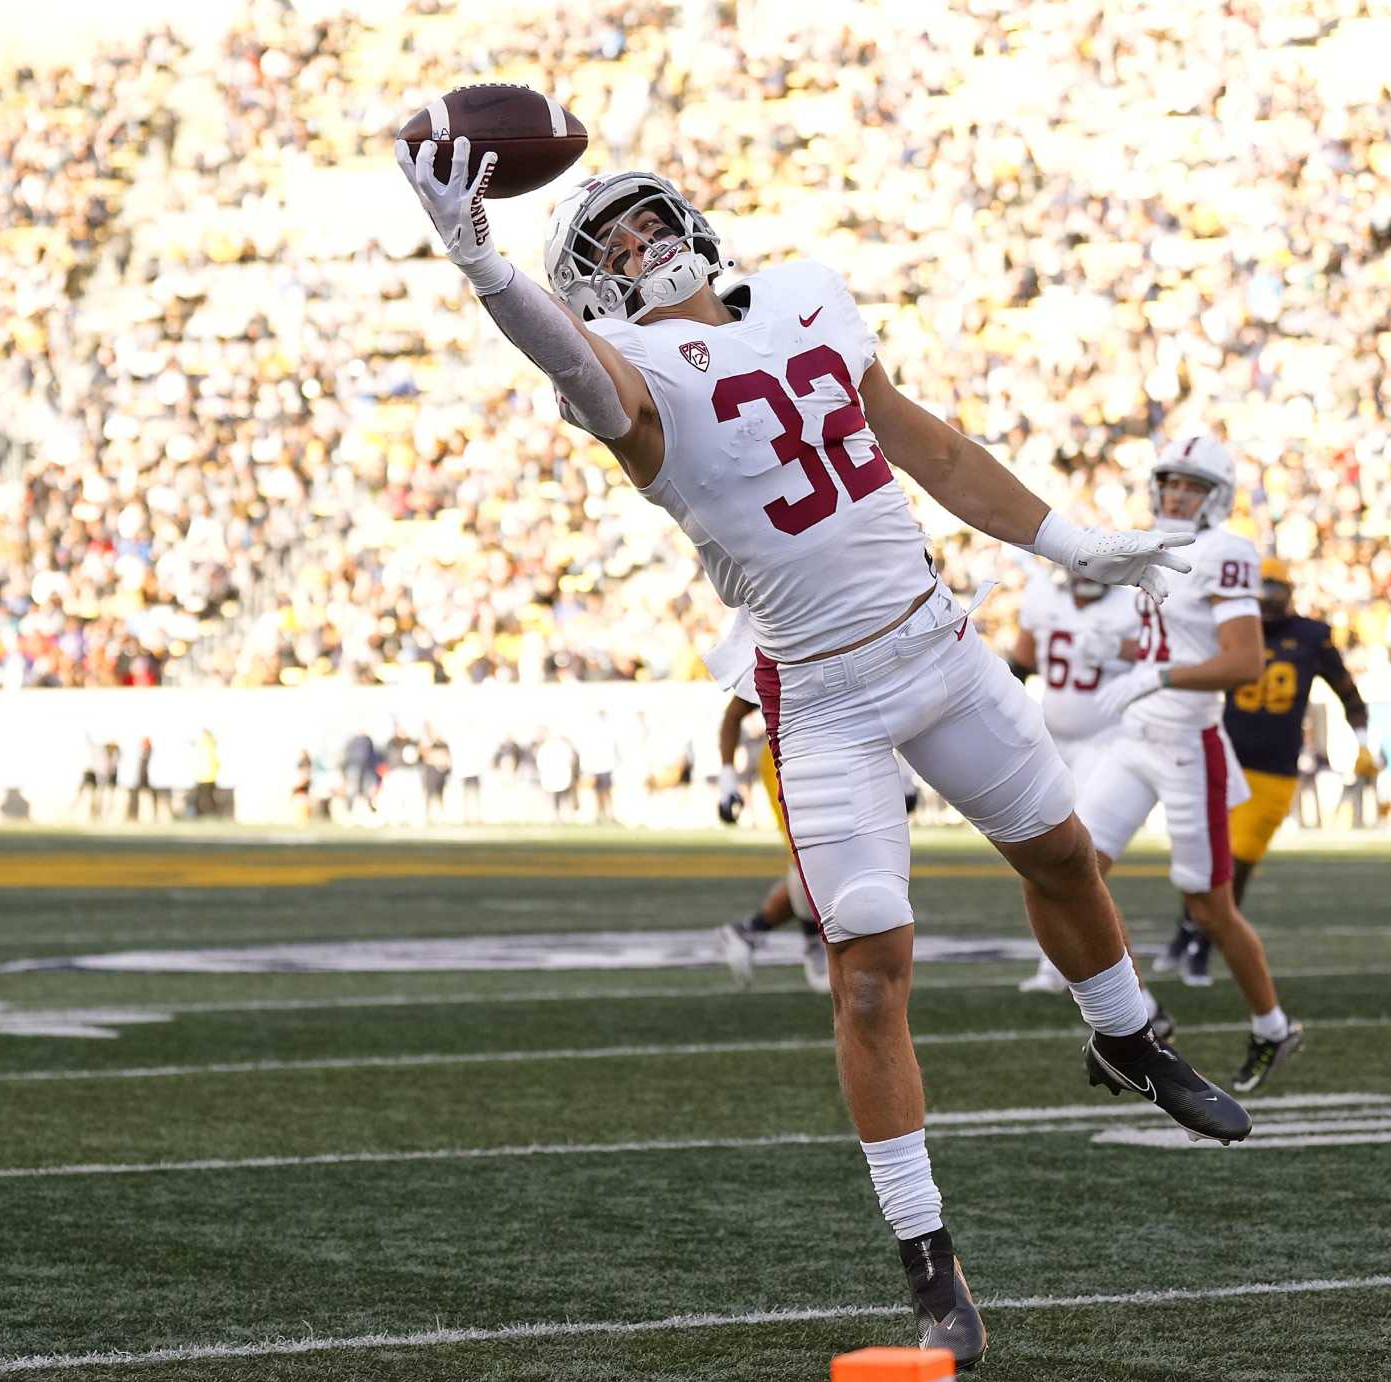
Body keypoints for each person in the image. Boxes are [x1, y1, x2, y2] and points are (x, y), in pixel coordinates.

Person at [397, 138, 1248, 1366]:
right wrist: (480, 263)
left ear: (689, 211)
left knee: (1064, 855)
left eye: (644, 224)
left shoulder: (807, 292)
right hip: (825, 696)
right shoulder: (623, 372)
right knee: (866, 971)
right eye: (610, 250)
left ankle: (1125, 1032)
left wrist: (1069, 541)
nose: (639, 250)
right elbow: (563, 354)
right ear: (591, 289)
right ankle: (930, 1261)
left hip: (938, 643)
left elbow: (931, 448)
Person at [1080, 436, 1304, 1094]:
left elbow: (1242, 661)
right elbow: (1171, 637)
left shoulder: (1227, 552)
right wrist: (1115, 642)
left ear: (1217, 497)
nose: (1178, 495)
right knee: (1072, 874)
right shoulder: (1152, 542)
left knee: (1209, 909)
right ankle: (1140, 1014)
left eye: (1193, 486)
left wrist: (1160, 677)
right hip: (1135, 737)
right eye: (1171, 483)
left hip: (1187, 744)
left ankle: (1271, 1025)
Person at [1159, 557, 1373, 986]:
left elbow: (1349, 693)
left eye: (1276, 593)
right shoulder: (1232, 629)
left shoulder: (1312, 636)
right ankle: (1190, 929)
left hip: (1275, 768)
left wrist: (1365, 743)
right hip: (1224, 755)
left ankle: (1203, 939)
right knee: (1205, 855)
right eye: (1263, 593)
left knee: (1236, 863)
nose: (1269, 603)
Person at [1008, 567, 1152, 995]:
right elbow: (1021, 662)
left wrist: (1123, 648)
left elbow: (1167, 653)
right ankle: (1057, 965)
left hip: (1108, 741)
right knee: (1045, 849)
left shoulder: (1132, 605)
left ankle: (1100, 976)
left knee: (1079, 852)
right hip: (1053, 740)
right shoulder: (1041, 598)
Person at [712, 624, 831, 995]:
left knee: (833, 860)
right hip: (787, 757)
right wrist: (728, 777)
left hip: (838, 755)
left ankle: (749, 932)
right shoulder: (785, 633)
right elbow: (734, 715)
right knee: (810, 857)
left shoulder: (844, 620)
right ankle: (814, 943)